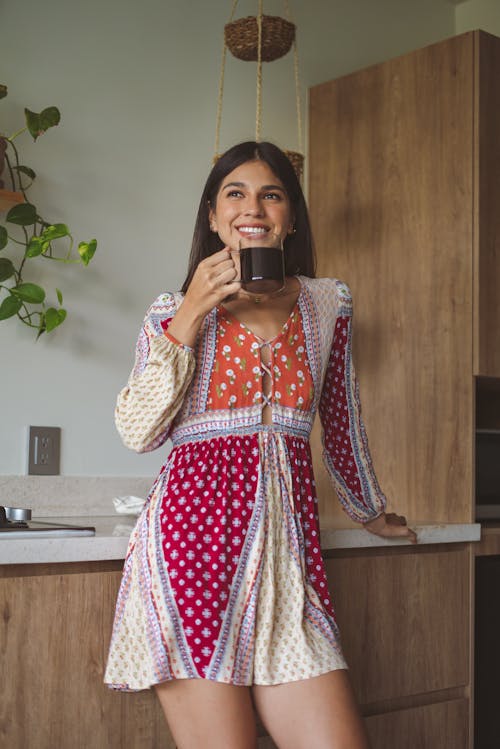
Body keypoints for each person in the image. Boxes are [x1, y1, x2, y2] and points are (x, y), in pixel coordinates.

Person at [104, 140, 417, 749]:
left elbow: (343, 419)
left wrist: (369, 510)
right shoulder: (170, 312)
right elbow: (138, 433)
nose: (254, 207)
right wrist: (192, 312)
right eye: (235, 194)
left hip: (287, 572)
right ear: (214, 217)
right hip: (189, 561)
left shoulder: (329, 302)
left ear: (291, 216)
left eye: (271, 193)